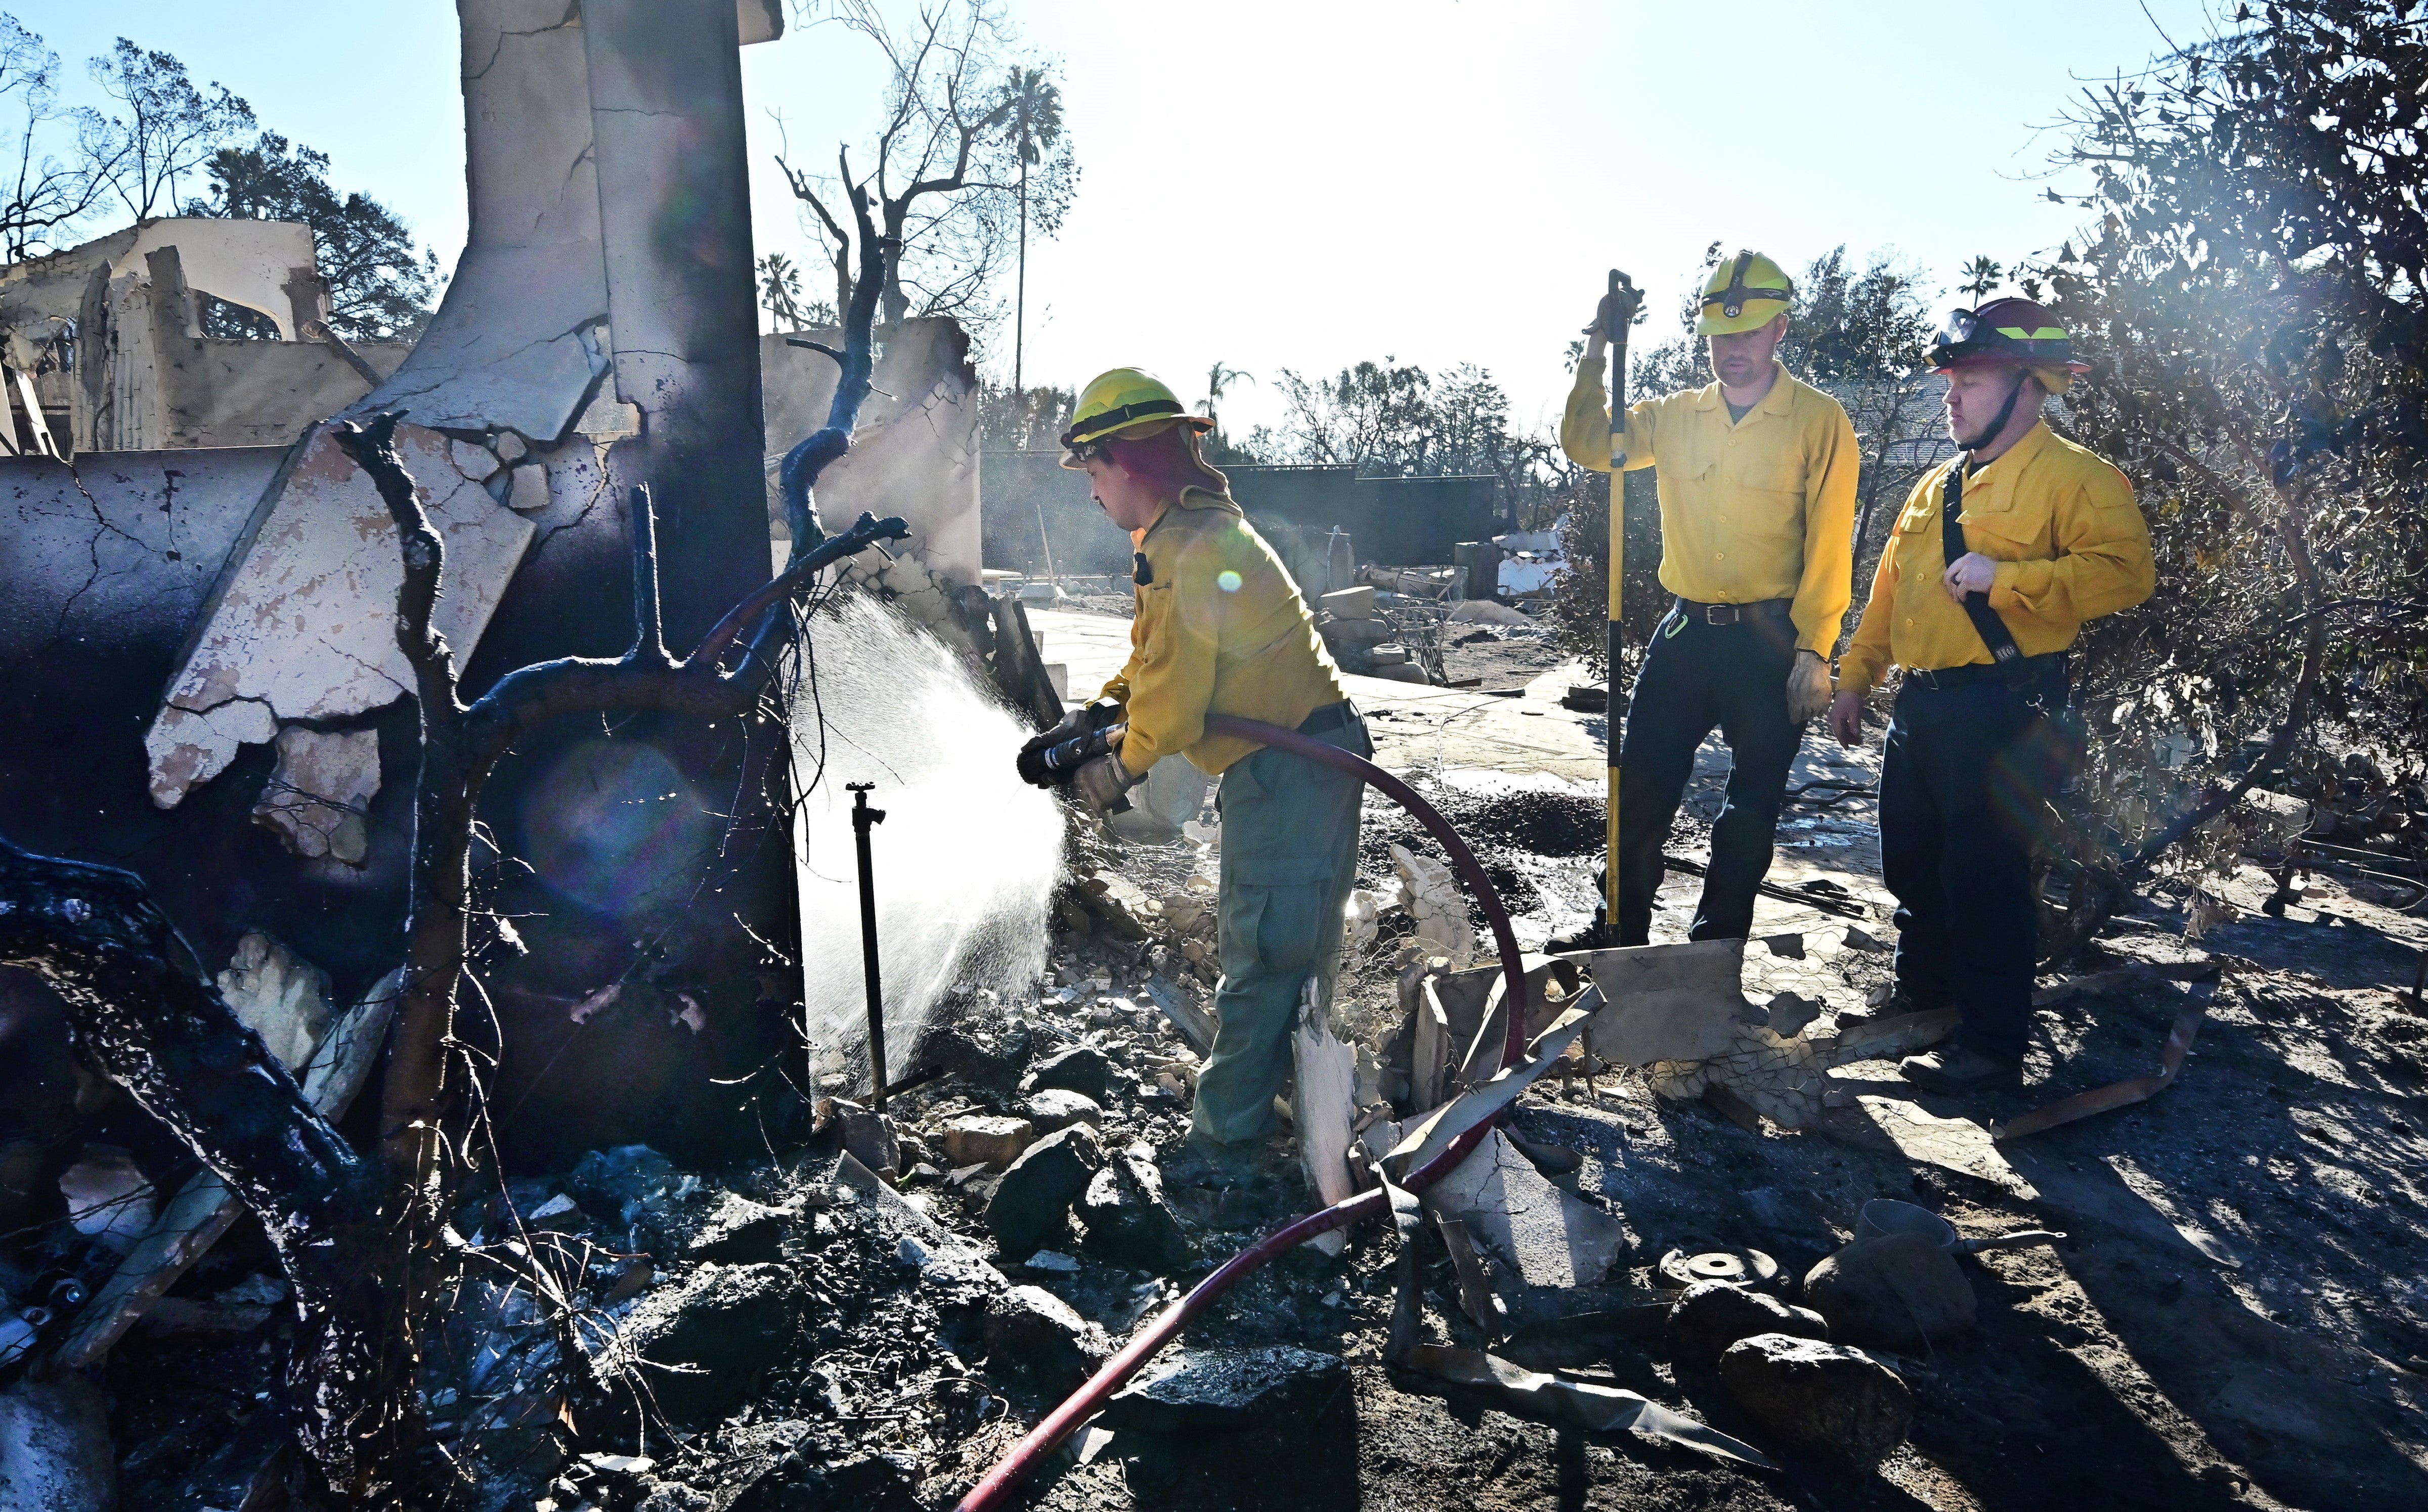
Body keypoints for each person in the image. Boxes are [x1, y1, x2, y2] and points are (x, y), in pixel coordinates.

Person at [1017, 368, 1369, 1162]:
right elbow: (1156, 665)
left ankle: (1222, 1149)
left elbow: (1172, 713)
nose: (1090, 492)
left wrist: (1116, 768)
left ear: (1129, 460)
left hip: (1292, 766)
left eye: (1093, 470)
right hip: (1302, 756)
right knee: (1295, 946)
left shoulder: (1188, 544)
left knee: (1268, 949)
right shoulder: (1180, 535)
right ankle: (1299, 1111)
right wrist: (1099, 714)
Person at [1827, 298, 2155, 1095]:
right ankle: (1927, 999)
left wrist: (2009, 581)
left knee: (1985, 878)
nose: (1951, 396)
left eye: (1968, 379)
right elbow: (1889, 591)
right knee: (1912, 861)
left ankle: (1990, 1048)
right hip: (1923, 707)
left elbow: (2128, 574)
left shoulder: (2077, 476)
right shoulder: (1935, 488)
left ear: (2027, 386)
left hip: (2006, 709)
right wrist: (1857, 674)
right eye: (1951, 380)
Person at [1556, 251, 1858, 948]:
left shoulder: (1820, 420)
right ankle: (1619, 930)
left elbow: (1829, 545)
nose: (1734, 351)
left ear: (1780, 329)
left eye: (1749, 334)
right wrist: (1599, 346)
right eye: (1722, 338)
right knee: (1640, 789)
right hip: (1686, 632)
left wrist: (1816, 648)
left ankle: (1714, 953)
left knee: (1750, 806)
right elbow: (1586, 443)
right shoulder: (1672, 416)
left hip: (1772, 639)